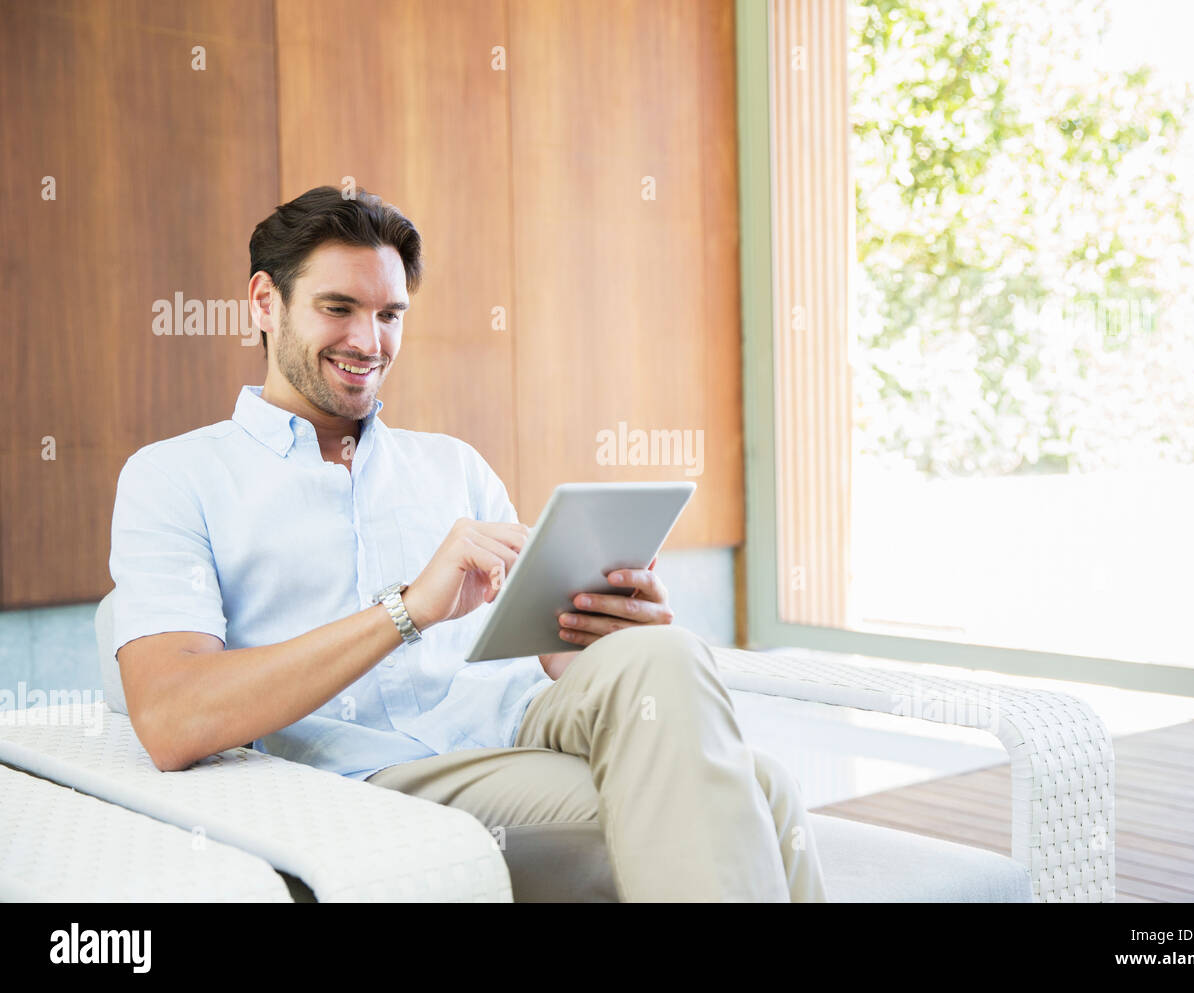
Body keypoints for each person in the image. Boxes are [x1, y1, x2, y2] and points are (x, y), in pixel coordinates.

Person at [109, 185, 826, 902]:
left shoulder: (453, 465)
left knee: (664, 653)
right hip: (370, 778)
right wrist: (408, 610)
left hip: (518, 723)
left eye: (390, 314)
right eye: (339, 309)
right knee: (762, 792)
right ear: (265, 303)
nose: (369, 341)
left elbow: (552, 659)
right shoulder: (175, 477)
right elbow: (173, 719)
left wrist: (607, 622)